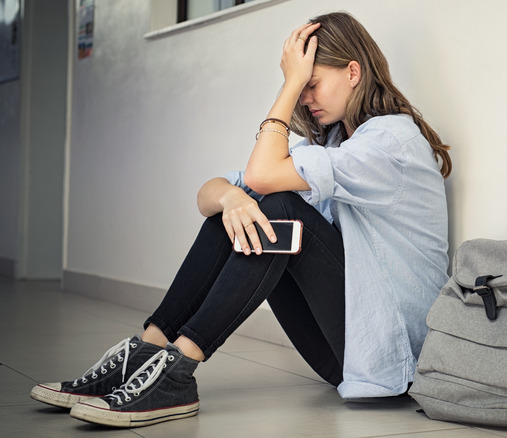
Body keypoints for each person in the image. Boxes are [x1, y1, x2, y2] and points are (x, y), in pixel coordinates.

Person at [29, 11, 451, 428]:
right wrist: (231, 198)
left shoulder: (391, 140)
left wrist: (288, 84)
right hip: (348, 354)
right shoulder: (335, 143)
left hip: (393, 357)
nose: (305, 97)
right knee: (233, 213)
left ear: (353, 72)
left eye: (311, 84)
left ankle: (178, 372)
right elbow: (208, 195)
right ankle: (146, 352)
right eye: (300, 88)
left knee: (279, 209)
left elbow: (261, 176)